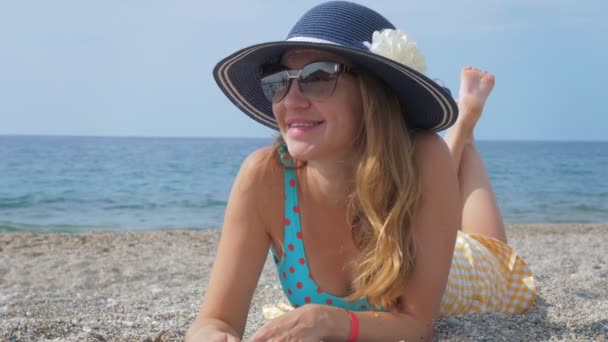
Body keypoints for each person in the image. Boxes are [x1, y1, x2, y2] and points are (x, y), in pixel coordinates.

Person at [187, 1, 536, 341]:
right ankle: (463, 129)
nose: (290, 100)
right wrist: (214, 336)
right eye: (278, 81)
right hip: (427, 223)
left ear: (372, 92)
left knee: (489, 247)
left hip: (467, 270)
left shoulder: (426, 155)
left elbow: (417, 325)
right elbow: (215, 319)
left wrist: (328, 319)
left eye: (317, 77)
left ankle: (466, 126)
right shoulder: (263, 178)